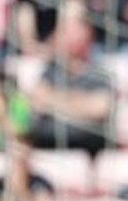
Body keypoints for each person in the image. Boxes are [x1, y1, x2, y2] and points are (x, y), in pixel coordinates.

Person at [26, 15, 112, 156]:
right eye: (63, 32)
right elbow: (35, 102)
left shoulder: (100, 74)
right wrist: (77, 104)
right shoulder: (50, 72)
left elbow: (99, 109)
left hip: (85, 150)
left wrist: (51, 100)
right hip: (44, 147)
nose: (61, 37)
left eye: (71, 33)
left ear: (87, 37)